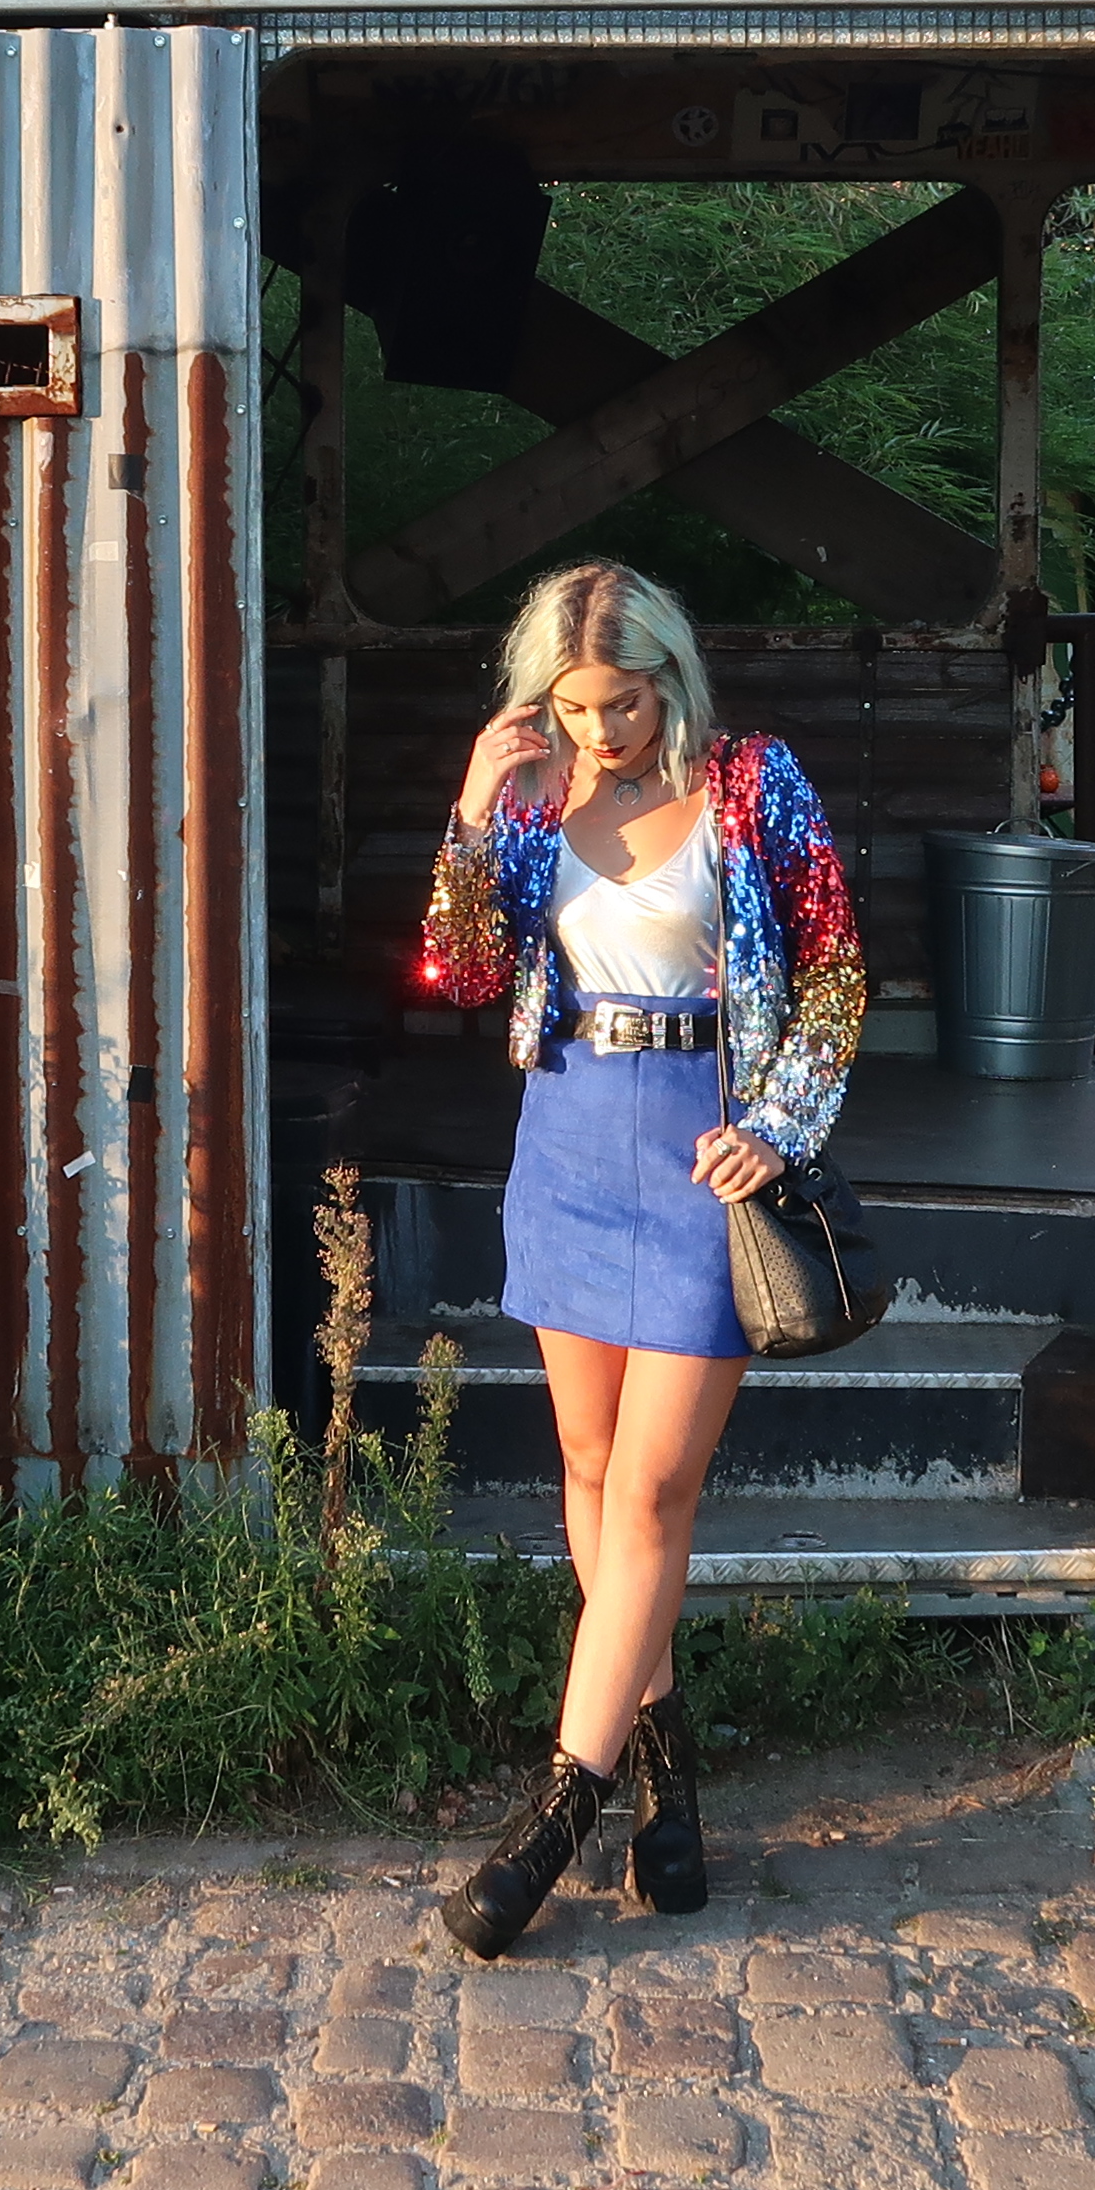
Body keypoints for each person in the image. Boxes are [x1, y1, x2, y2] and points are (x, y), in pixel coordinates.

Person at [410, 558, 862, 1958]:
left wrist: (779, 1125)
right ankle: (665, 1790)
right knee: (593, 1477)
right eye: (572, 704)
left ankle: (554, 1812)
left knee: (656, 1488)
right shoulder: (537, 802)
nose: (601, 729)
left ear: (671, 676)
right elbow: (460, 973)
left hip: (697, 1159)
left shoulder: (750, 781)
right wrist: (474, 816)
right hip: (568, 1148)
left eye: (621, 700)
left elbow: (837, 965)